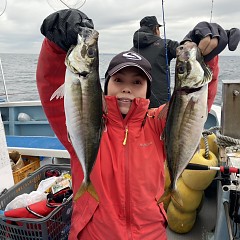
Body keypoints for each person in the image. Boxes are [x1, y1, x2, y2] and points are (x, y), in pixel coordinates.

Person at [36, 9, 240, 239]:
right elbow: (52, 87)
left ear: (147, 90)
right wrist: (55, 47)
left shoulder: (158, 124)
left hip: (150, 233)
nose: (127, 88)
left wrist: (206, 59)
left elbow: (193, 103)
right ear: (104, 85)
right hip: (93, 233)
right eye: (119, 79)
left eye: (137, 81)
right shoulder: (88, 123)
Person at [131, 15, 240, 109]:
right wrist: (195, 39)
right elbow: (187, 53)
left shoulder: (130, 52)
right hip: (162, 113)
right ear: (156, 29)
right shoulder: (165, 44)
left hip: (136, 108)